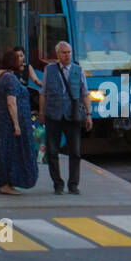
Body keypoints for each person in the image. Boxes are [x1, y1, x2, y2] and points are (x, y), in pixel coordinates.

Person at [39, 40, 92, 194]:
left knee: (75, 152)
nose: (68, 55)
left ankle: (73, 184)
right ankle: (58, 184)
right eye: (64, 52)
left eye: (69, 52)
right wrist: (41, 113)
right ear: (57, 54)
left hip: (72, 116)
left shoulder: (78, 70)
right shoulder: (49, 69)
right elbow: (43, 93)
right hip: (53, 115)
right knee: (53, 151)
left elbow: (85, 93)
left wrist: (89, 115)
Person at [0, 49, 37, 194]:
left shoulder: (2, 77)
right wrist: (17, 124)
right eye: (18, 58)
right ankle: (6, 184)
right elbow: (11, 102)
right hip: (9, 123)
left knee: (6, 151)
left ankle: (7, 183)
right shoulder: (10, 79)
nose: (21, 61)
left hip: (3, 121)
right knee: (10, 152)